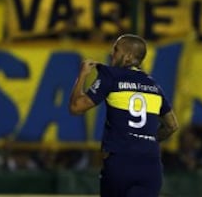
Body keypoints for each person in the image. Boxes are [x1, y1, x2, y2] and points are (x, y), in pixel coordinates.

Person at [69, 34, 179, 197]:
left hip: (120, 163)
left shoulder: (111, 75)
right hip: (150, 165)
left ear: (127, 57)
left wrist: (83, 75)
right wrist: (146, 140)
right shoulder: (154, 86)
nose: (111, 53)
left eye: (116, 49)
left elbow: (76, 107)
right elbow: (172, 126)